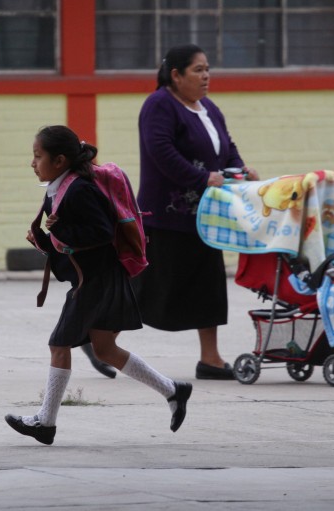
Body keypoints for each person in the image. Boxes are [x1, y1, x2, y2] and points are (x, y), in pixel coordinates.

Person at [5, 125, 192, 445]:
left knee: (58, 344)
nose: (32, 163)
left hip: (96, 282)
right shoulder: (61, 187)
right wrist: (46, 240)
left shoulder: (79, 190)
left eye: (38, 156)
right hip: (101, 279)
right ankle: (173, 391)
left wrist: (54, 237)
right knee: (105, 349)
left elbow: (101, 233)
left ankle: (45, 423)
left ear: (60, 160)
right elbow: (68, 240)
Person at [133, 44, 258, 380]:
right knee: (149, 288)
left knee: (209, 286)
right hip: (166, 216)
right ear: (176, 75)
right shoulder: (159, 104)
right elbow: (162, 152)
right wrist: (203, 177)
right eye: (198, 70)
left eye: (208, 69)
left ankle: (211, 359)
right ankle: (100, 334)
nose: (206, 76)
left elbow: (226, 149)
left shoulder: (209, 109)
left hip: (206, 217)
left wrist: (241, 171)